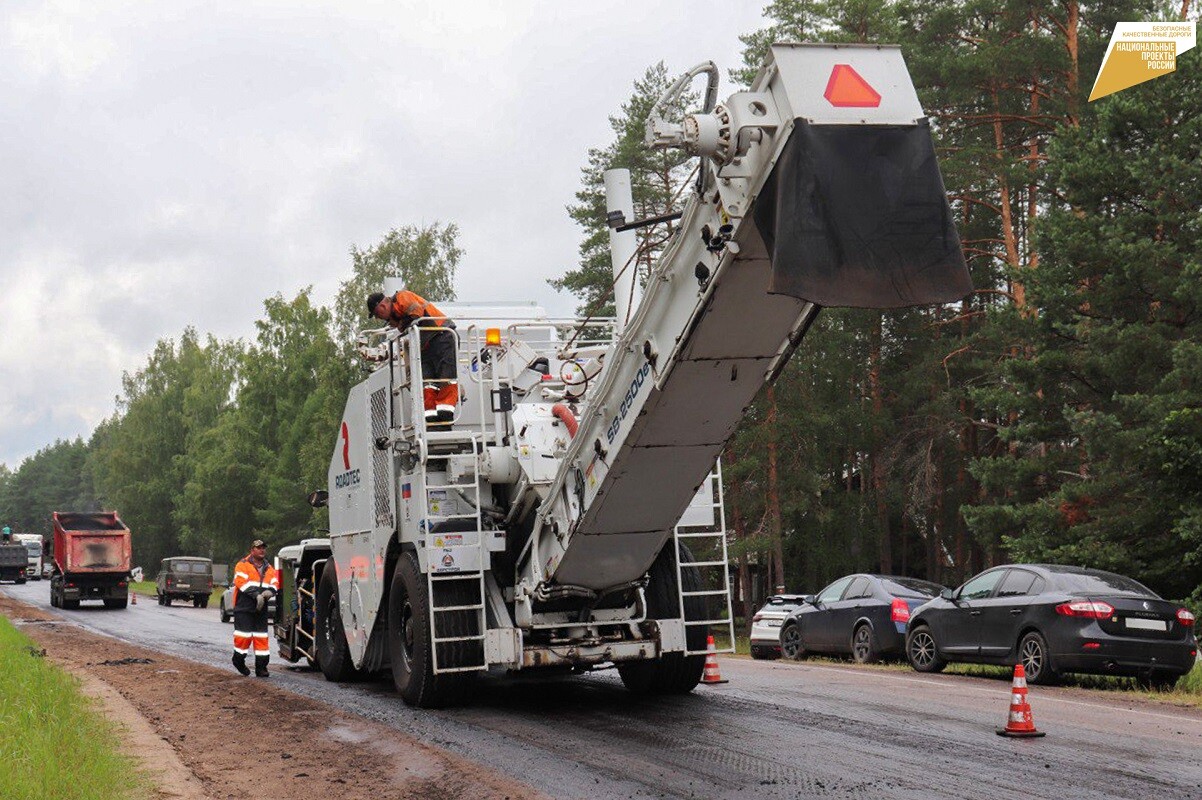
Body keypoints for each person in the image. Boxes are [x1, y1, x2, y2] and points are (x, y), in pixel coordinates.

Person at [367, 288, 459, 425]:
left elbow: (416, 313)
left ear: (382, 306)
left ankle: (445, 414)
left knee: (446, 376)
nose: (378, 318)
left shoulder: (402, 297)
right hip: (426, 345)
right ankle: (431, 417)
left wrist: (399, 329)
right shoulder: (397, 316)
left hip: (442, 335)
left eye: (377, 314)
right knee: (427, 382)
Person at [231, 539, 279, 677]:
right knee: (243, 637)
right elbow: (241, 582)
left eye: (263, 548)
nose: (262, 550)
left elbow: (275, 583)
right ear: (252, 550)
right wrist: (256, 595)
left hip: (261, 609)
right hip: (244, 607)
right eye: (258, 548)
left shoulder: (269, 568)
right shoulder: (242, 565)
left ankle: (261, 668)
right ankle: (238, 661)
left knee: (261, 638)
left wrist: (270, 591)